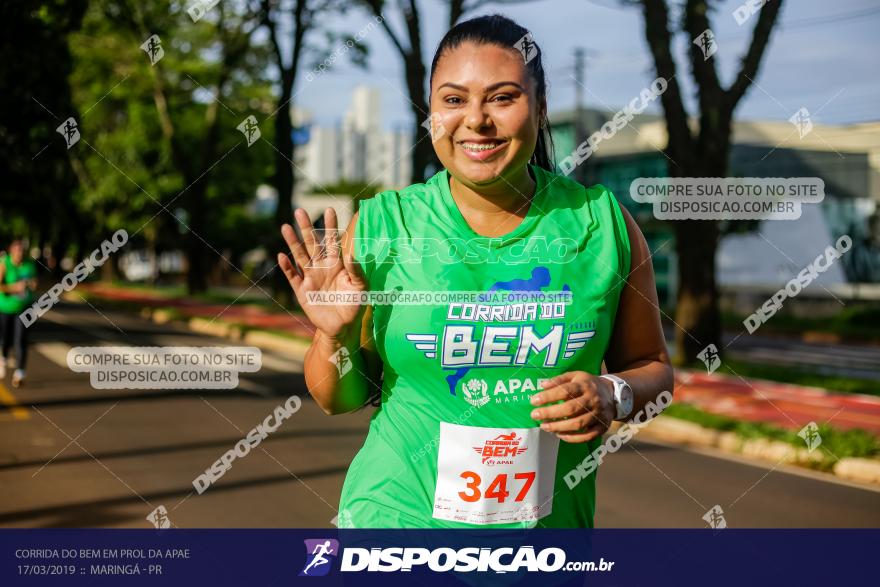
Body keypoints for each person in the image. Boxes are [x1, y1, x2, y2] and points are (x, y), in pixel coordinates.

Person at [278, 14, 673, 528]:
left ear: (540, 107)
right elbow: (338, 399)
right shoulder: (383, 225)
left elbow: (653, 370)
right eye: (453, 100)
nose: (477, 121)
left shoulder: (604, 225)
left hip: (545, 541)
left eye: (503, 97)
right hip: (396, 523)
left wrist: (612, 394)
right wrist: (335, 337)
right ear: (432, 114)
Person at [0, 239, 37, 387]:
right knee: (5, 339)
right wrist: (14, 287)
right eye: (17, 251)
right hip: (5, 308)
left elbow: (34, 282)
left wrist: (31, 285)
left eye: (22, 251)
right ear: (11, 251)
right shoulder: (4, 263)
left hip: (24, 308)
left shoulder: (29, 265)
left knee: (21, 339)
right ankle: (2, 358)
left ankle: (20, 372)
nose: (19, 254)